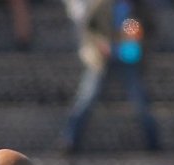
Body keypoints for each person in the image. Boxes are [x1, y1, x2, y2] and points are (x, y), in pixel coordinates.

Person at [61, 0, 160, 154]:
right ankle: (69, 140)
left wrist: (139, 39)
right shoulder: (101, 5)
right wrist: (100, 44)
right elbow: (89, 29)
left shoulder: (139, 6)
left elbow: (151, 29)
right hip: (102, 60)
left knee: (141, 101)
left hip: (130, 58)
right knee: (86, 98)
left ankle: (153, 142)